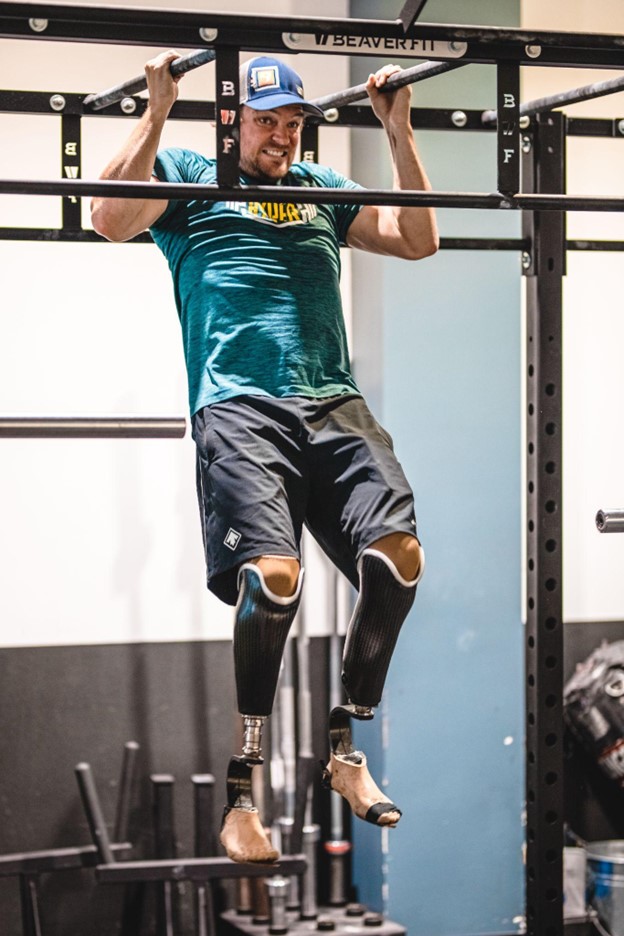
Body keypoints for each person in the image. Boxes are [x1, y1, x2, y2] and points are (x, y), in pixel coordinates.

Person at [91, 52, 438, 864]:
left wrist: (399, 131)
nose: (283, 135)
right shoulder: (185, 173)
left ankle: (344, 751)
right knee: (274, 580)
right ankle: (242, 794)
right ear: (230, 120)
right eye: (267, 120)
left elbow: (418, 239)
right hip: (240, 407)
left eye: (293, 121)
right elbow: (110, 216)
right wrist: (157, 107)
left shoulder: (318, 187)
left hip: (333, 401)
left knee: (400, 560)